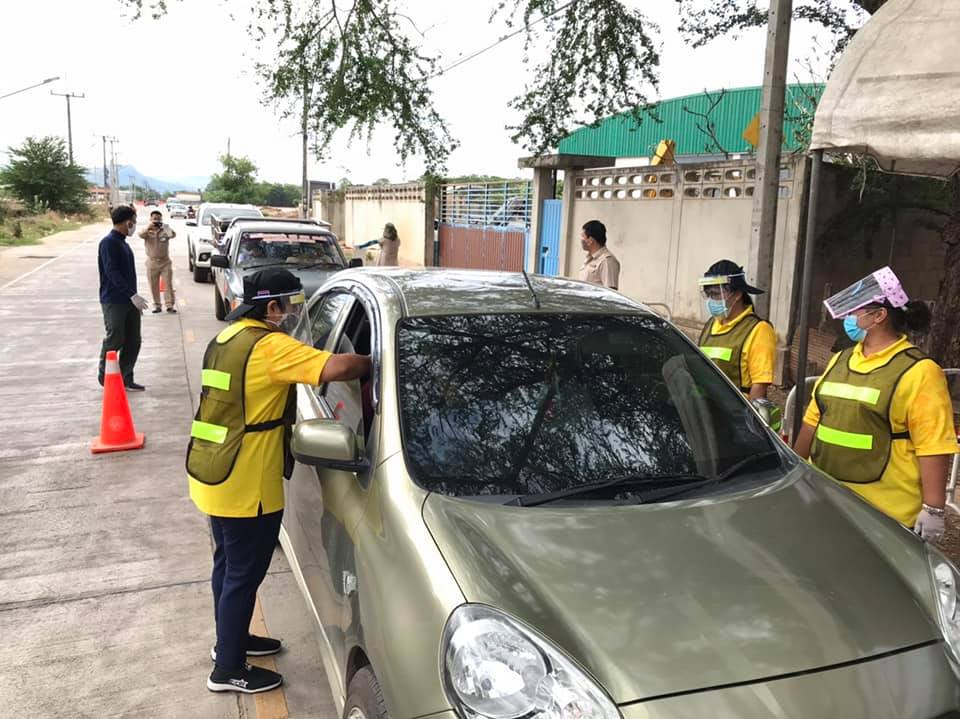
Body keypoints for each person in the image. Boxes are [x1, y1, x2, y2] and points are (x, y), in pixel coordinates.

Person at [186, 268, 371, 694]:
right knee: (242, 575)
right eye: (289, 305)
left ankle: (230, 642)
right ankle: (228, 670)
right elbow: (338, 366)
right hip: (246, 481)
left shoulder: (228, 338)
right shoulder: (269, 346)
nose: (291, 313)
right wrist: (375, 359)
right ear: (271, 306)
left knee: (228, 567)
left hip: (214, 469)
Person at [793, 266, 958, 542]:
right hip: (829, 498)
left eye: (854, 312)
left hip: (885, 513)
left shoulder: (920, 371)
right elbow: (813, 420)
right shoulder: (840, 359)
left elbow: (933, 444)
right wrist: (795, 471)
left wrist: (933, 509)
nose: (848, 318)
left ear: (879, 315)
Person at [697, 260, 777, 400]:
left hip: (733, 409)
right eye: (708, 295)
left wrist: (748, 413)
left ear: (737, 294)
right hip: (704, 405)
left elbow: (759, 385)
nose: (711, 300)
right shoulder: (711, 324)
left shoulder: (759, 330)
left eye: (716, 294)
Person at [98, 205, 149, 391]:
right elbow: (112, 272)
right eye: (133, 222)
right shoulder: (109, 243)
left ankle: (126, 376)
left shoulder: (123, 243)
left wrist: (133, 298)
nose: (134, 226)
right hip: (114, 300)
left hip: (130, 300)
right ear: (126, 222)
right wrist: (131, 294)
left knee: (133, 340)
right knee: (115, 338)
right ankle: (106, 376)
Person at [139, 209, 177, 313]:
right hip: (152, 262)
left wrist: (165, 227)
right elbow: (140, 235)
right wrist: (149, 227)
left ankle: (169, 305)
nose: (156, 220)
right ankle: (157, 305)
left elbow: (172, 235)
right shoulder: (147, 231)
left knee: (167, 285)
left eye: (158, 219)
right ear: (150, 219)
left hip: (165, 262)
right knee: (153, 285)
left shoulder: (165, 230)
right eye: (154, 219)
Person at [578, 220, 620, 289]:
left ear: (590, 240)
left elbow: (610, 292)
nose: (581, 239)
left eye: (583, 236)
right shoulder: (589, 259)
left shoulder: (607, 261)